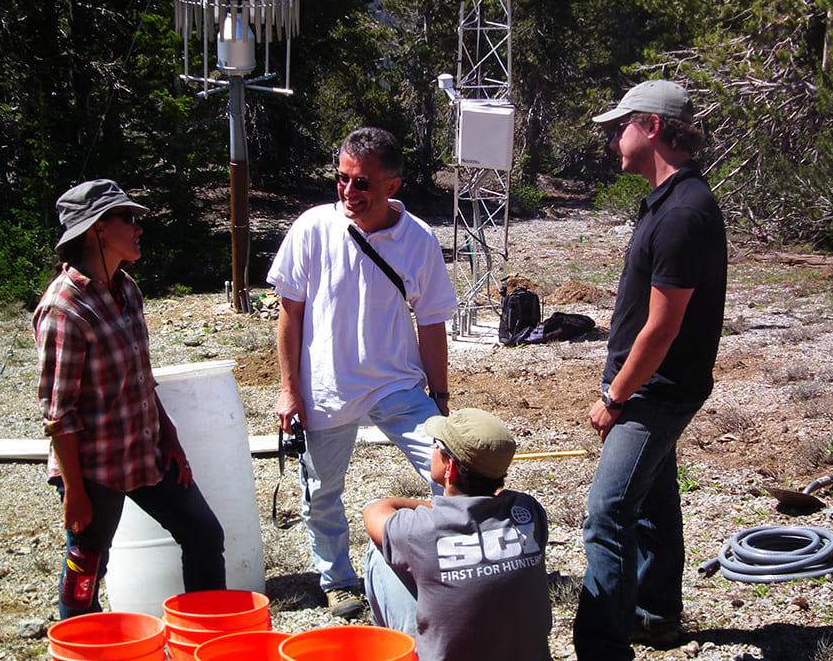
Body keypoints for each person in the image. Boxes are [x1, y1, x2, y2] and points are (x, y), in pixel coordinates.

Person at [267, 127, 458, 618]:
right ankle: (337, 579)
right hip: (327, 386)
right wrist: (290, 391)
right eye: (342, 179)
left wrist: (439, 397)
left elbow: (432, 322)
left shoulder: (418, 240)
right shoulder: (312, 228)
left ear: (392, 186)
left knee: (450, 470)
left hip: (397, 383)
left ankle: (443, 565)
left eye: (362, 183)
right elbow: (290, 312)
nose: (349, 192)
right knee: (323, 491)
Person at [572, 80, 727, 659]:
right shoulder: (671, 201)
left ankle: (602, 645)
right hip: (653, 386)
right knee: (654, 499)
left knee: (608, 514)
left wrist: (614, 395)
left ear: (653, 127)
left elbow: (662, 327)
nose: (614, 138)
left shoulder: (685, 212)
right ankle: (657, 614)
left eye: (622, 126)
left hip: (656, 392)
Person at [34, 179, 226, 619]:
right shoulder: (64, 309)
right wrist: (75, 492)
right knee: (85, 572)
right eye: (128, 218)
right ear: (96, 230)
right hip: (94, 467)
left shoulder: (127, 290)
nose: (139, 226)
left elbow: (141, 379)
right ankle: (82, 642)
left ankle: (206, 636)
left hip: (145, 452)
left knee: (203, 533)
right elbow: (58, 415)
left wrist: (170, 437)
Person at [362, 408, 552, 661]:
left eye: (436, 445)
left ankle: (394, 651)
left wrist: (439, 510)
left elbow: (374, 511)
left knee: (379, 549)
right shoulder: (528, 511)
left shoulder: (421, 529)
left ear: (449, 467)